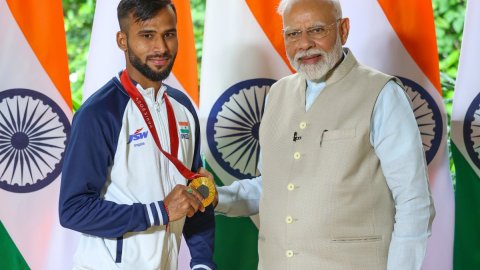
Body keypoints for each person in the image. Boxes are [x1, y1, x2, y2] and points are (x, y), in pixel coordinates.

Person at [215, 0, 435, 269]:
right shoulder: (277, 95)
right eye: (293, 33)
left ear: (343, 30)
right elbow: (271, 187)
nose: (304, 44)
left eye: (317, 30)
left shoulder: (382, 93)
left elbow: (414, 202)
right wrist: (217, 198)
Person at [59, 1, 215, 269]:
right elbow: (73, 209)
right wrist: (159, 212)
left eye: (169, 34)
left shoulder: (184, 108)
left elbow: (196, 194)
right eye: (147, 35)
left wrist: (201, 262)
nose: (161, 48)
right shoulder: (99, 113)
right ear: (122, 40)